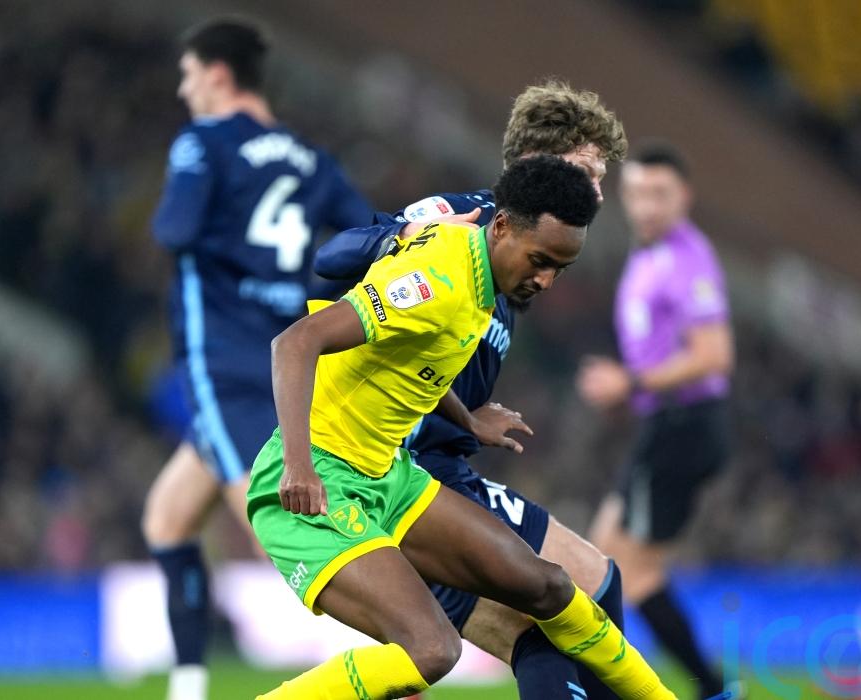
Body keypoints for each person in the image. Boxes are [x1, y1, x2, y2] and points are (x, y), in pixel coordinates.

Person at [248, 155, 681, 699]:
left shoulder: (480, 276)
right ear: (501, 226)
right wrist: (298, 465)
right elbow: (295, 342)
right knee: (432, 650)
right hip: (315, 484)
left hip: (388, 477)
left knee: (548, 585)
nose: (546, 280)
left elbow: (415, 360)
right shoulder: (439, 279)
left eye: (560, 269)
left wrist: (467, 417)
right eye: (540, 261)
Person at [315, 80, 639, 700]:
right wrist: (401, 236)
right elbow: (333, 259)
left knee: (540, 627)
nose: (600, 192)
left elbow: (425, 355)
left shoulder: (527, 256)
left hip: (435, 466)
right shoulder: (463, 221)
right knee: (588, 588)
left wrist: (466, 414)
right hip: (403, 472)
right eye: (591, 173)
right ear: (541, 162)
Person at [141, 18, 372, 700]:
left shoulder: (203, 143)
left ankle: (401, 642)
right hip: (286, 366)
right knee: (168, 518)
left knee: (278, 531)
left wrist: (225, 242)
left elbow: (173, 229)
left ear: (217, 75)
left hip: (221, 360)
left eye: (188, 77)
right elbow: (368, 237)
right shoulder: (310, 159)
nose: (184, 92)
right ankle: (188, 686)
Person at [576, 146, 734, 699]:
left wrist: (630, 382)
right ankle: (703, 688)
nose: (646, 206)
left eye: (659, 194)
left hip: (684, 426)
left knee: (626, 571)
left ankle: (707, 688)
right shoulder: (649, 256)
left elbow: (714, 355)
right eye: (637, 194)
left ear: (684, 197)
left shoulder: (689, 259)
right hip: (665, 424)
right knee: (602, 558)